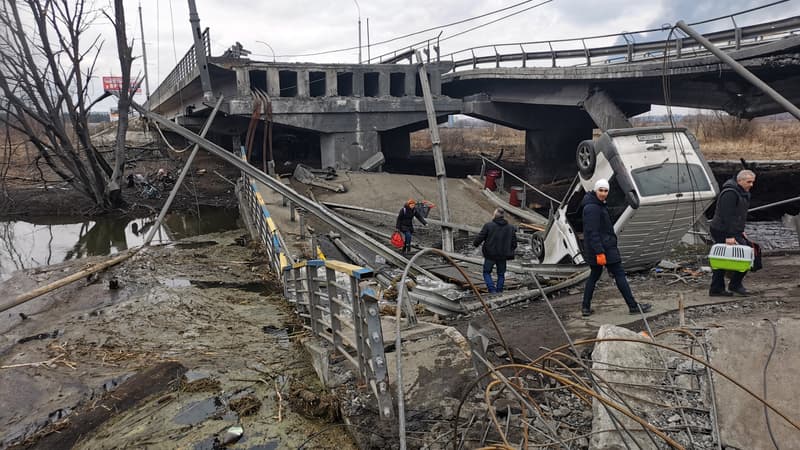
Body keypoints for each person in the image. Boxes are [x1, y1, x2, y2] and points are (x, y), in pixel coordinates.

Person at [581, 178, 652, 316]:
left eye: (605, 191)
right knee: (619, 274)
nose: (603, 193)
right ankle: (633, 306)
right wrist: (600, 252)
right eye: (600, 190)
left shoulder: (597, 204)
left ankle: (585, 307)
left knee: (594, 276)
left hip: (602, 247)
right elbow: (592, 232)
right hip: (604, 249)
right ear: (596, 190)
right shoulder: (593, 208)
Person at [709, 169, 756, 296]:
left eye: (753, 182)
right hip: (722, 230)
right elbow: (726, 215)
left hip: (733, 229)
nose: (751, 185)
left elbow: (739, 214)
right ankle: (731, 285)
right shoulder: (730, 193)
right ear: (740, 181)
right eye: (749, 182)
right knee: (741, 255)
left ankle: (721, 287)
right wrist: (728, 236)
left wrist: (741, 231)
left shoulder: (743, 193)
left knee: (746, 253)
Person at [473, 208, 517, 293]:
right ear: (503, 216)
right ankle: (499, 291)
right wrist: (508, 250)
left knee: (486, 272)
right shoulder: (510, 227)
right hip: (503, 255)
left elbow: (480, 237)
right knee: (501, 274)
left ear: (494, 216)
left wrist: (475, 244)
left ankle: (492, 290)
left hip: (490, 254)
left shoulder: (488, 225)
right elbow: (514, 243)